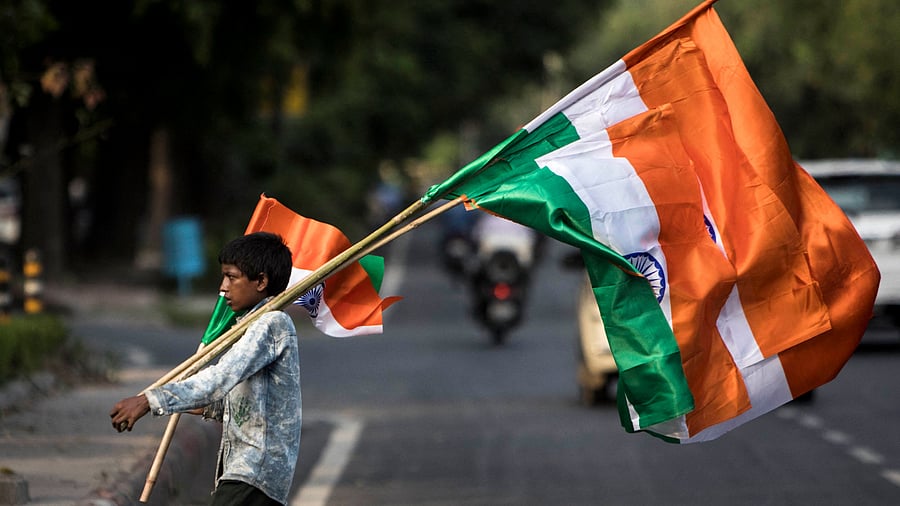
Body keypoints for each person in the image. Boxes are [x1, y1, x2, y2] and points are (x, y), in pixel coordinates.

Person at [109, 231, 301, 505]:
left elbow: (220, 378)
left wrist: (150, 400)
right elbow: (239, 400)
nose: (223, 288)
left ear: (261, 281)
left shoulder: (271, 324)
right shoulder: (251, 324)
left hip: (256, 473)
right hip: (248, 474)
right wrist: (202, 405)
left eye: (232, 277)